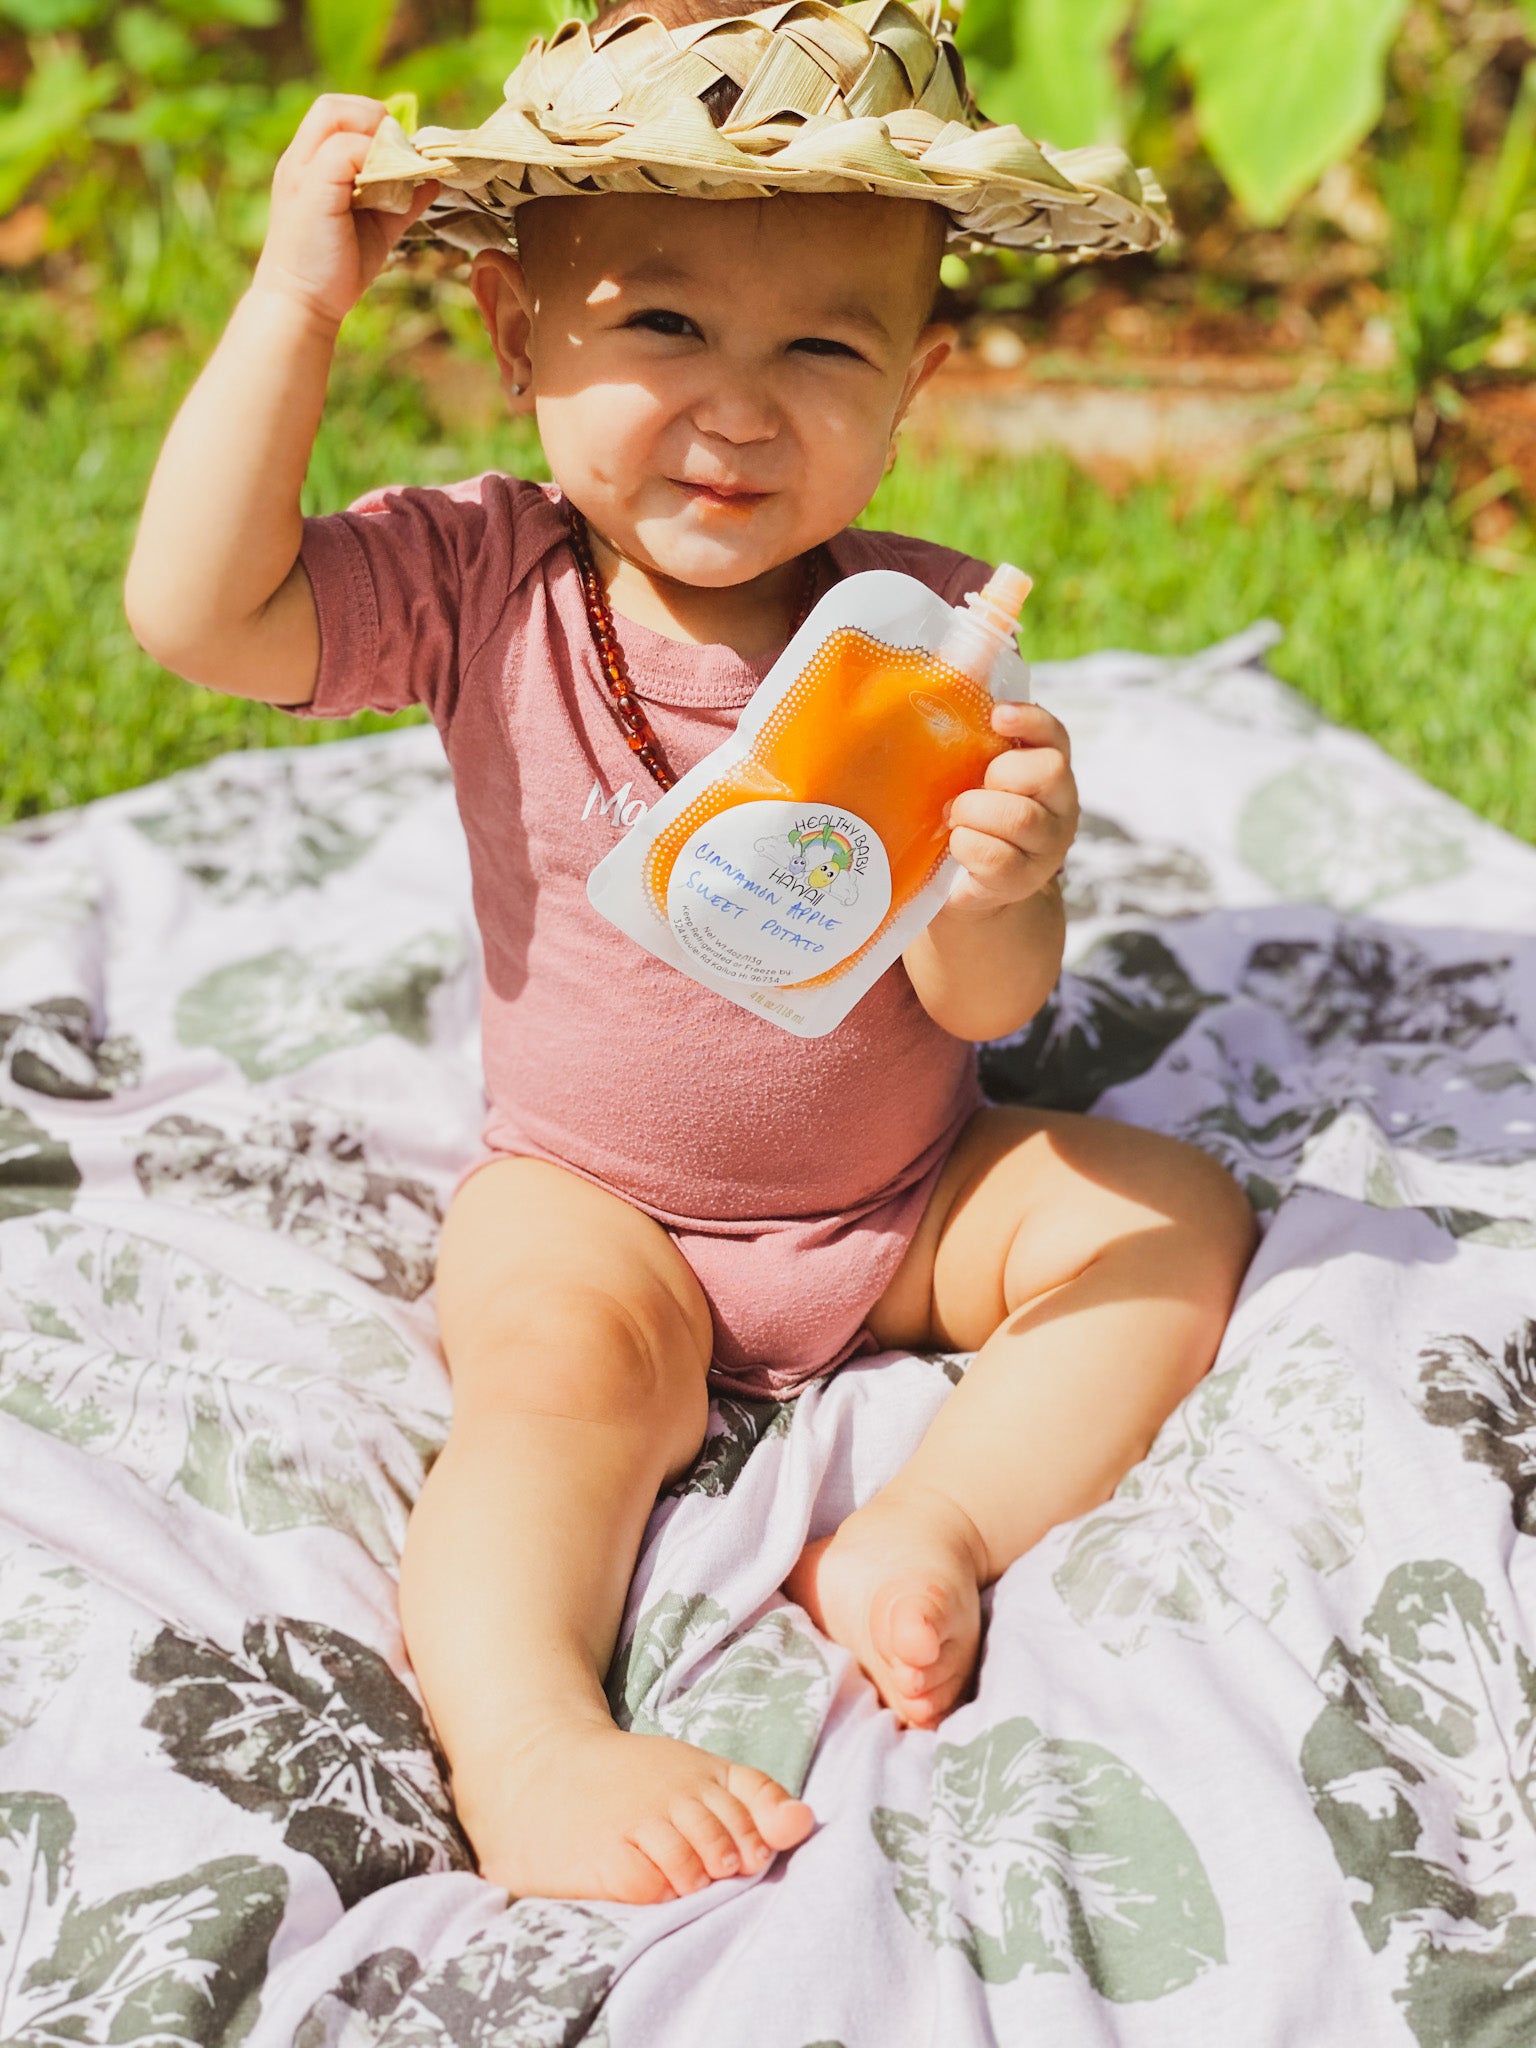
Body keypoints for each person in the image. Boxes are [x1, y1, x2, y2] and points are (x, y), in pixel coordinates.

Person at [124, 0, 1256, 1910]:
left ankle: (930, 1528)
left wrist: (1001, 886)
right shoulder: (485, 582)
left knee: (1170, 1219)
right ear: (514, 341)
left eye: (821, 345)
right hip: (602, 1198)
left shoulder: (932, 639)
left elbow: (987, 1011)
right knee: (553, 1386)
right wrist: (295, 312)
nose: (738, 406)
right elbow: (194, 613)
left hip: (897, 1195)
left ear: (916, 383)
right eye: (661, 327)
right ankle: (530, 1732)